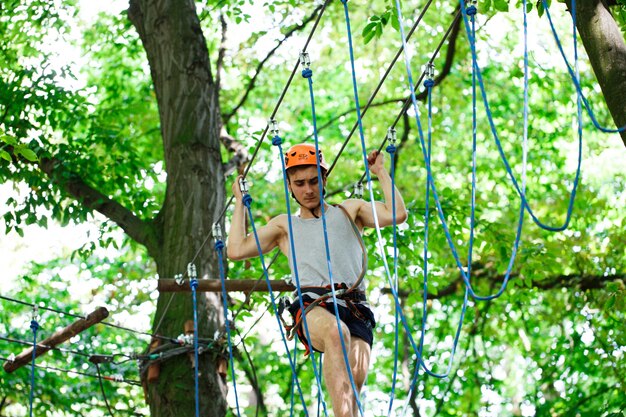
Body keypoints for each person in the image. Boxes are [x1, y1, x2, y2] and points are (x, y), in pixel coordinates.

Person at [227, 143, 407, 417]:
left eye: (313, 181)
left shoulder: (350, 210)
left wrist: (380, 172)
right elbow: (236, 250)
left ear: (324, 178)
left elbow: (396, 214)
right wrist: (240, 202)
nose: (308, 189)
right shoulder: (284, 226)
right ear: (290, 185)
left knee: (350, 402)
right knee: (337, 333)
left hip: (356, 309)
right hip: (314, 306)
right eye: (299, 183)